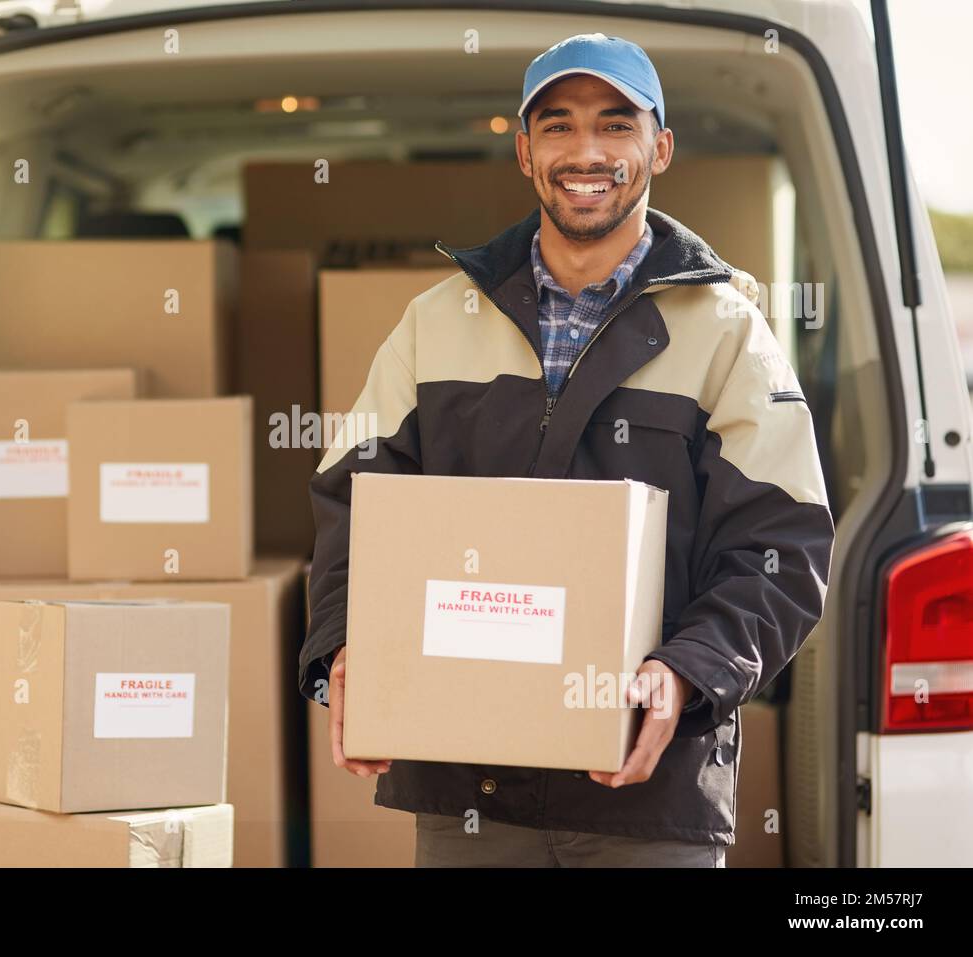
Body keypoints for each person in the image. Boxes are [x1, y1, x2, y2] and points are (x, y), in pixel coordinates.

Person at [298, 33, 834, 868]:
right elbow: (351, 501)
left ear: (659, 146)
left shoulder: (731, 335)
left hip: (648, 795)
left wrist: (688, 671)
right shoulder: (437, 322)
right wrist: (343, 645)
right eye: (558, 126)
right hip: (468, 792)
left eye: (616, 125)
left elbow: (784, 542)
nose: (587, 151)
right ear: (523, 150)